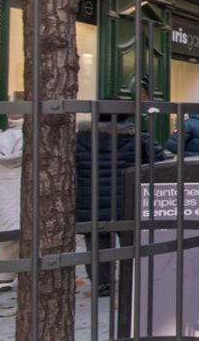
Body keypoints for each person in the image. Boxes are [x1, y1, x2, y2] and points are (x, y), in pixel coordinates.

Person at [76, 114, 164, 296]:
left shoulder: (79, 139)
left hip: (92, 200)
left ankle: (102, 283)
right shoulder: (138, 138)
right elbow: (160, 164)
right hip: (129, 199)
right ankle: (133, 278)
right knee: (132, 242)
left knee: (97, 246)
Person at [0, 119, 23, 291]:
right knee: (37, 235)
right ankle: (36, 271)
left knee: (7, 238)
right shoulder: (33, 138)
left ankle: (4, 277)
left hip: (1, 192)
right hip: (25, 189)